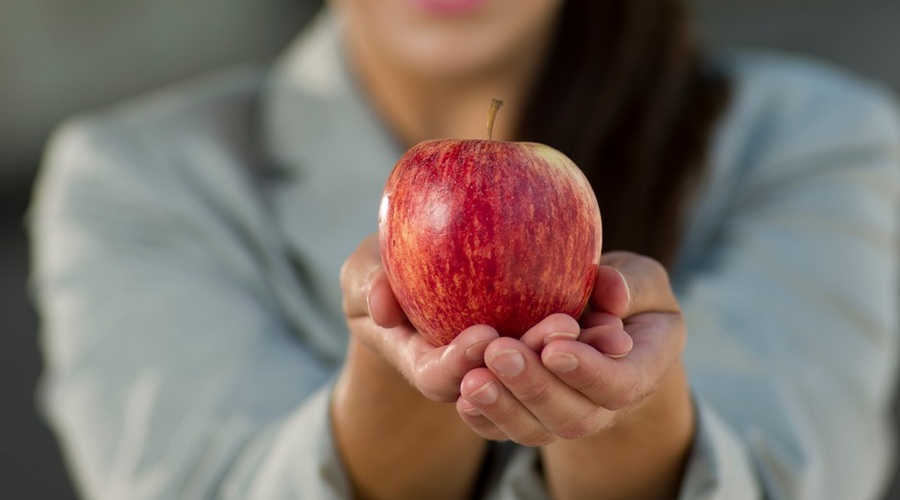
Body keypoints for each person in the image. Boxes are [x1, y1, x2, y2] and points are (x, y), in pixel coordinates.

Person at [28, 0, 900, 498]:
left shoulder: (818, 140)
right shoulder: (134, 177)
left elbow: (806, 474)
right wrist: (388, 387)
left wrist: (632, 425)